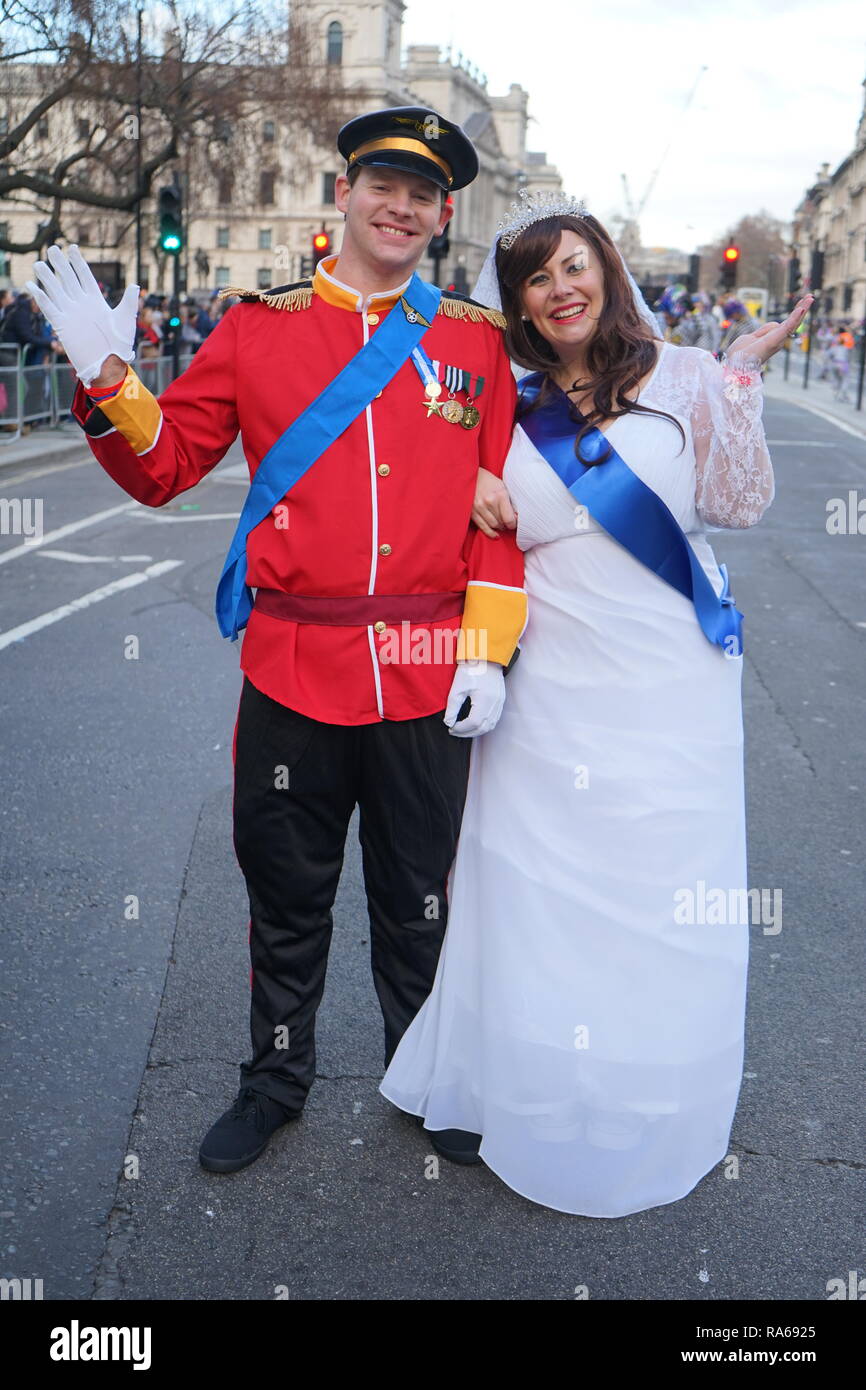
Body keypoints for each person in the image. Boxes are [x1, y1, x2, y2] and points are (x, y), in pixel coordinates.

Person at [26, 106, 526, 1177]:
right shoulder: (257, 327)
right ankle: (275, 1078)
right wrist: (109, 378)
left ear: (440, 218)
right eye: (381, 184)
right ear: (339, 195)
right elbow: (166, 468)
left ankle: (424, 1068)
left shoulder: (476, 343)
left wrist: (485, 646)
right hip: (295, 671)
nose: (400, 206)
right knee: (287, 894)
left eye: (422, 195)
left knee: (419, 897)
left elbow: (505, 515)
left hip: (431, 673)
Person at [380, 192, 813, 1213]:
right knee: (541, 890)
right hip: (552, 686)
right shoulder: (501, 403)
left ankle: (640, 1093)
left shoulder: (685, 375)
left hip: (667, 679)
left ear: (604, 271)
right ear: (519, 302)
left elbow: (736, 505)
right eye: (535, 277)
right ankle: (530, 1082)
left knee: (654, 897)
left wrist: (738, 382)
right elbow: (442, 510)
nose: (558, 288)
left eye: (572, 266)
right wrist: (465, 490)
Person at [827, 329, 851, 403]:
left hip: (834, 364)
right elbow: (848, 358)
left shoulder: (834, 348)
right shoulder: (846, 349)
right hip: (843, 365)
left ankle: (836, 394)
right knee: (845, 380)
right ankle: (843, 395)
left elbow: (828, 355)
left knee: (837, 380)